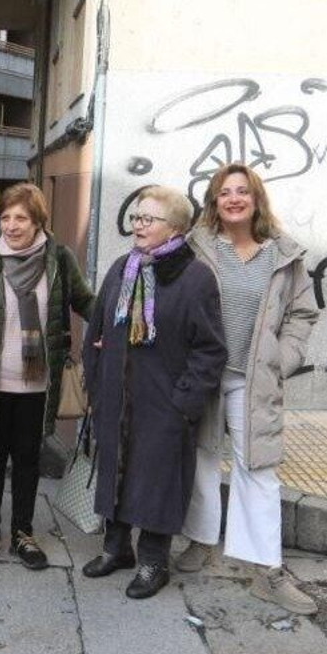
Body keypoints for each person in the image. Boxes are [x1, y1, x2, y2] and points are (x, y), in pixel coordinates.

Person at [176, 164, 321, 614]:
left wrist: (284, 357)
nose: (234, 199)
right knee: (200, 457)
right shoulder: (195, 248)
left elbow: (303, 313)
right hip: (202, 373)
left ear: (256, 199)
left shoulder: (282, 254)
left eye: (242, 191)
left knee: (256, 466)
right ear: (214, 201)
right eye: (225, 192)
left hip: (251, 378)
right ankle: (200, 539)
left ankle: (266, 570)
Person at [81, 185, 227, 599]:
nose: (139, 225)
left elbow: (210, 349)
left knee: (155, 480)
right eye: (136, 217)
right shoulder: (122, 267)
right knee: (116, 472)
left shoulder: (195, 277)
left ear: (175, 228)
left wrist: (184, 401)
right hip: (116, 396)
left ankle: (152, 561)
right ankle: (116, 548)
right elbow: (96, 327)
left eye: (149, 218)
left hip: (163, 401)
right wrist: (95, 380)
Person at [0, 183, 94, 571]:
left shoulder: (58, 259)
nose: (11, 226)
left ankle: (23, 533)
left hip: (37, 384)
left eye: (21, 218)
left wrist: (117, 324)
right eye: (6, 218)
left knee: (28, 461)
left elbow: (85, 302)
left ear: (38, 222)